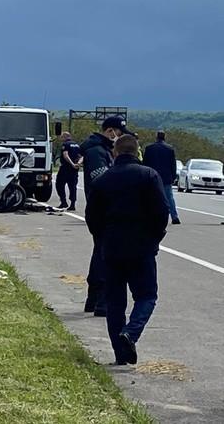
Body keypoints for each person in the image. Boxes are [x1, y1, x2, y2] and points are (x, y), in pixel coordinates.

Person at [85, 135, 168, 365]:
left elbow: (92, 216)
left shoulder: (103, 180)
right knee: (147, 296)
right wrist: (155, 238)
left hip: (112, 247)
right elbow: (161, 212)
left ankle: (120, 354)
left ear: (115, 152)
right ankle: (131, 332)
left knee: (115, 302)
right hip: (142, 247)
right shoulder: (149, 176)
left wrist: (101, 239)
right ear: (136, 151)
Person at [80, 116, 136, 316]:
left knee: (101, 253)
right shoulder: (96, 151)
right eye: (118, 133)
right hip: (103, 210)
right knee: (105, 256)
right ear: (110, 131)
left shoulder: (102, 150)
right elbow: (103, 179)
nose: (118, 138)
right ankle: (100, 300)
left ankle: (94, 300)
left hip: (105, 208)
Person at [143, 130, 180, 224]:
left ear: (156, 137)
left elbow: (145, 163)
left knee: (151, 197)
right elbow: (173, 165)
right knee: (169, 197)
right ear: (164, 137)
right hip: (166, 177)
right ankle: (174, 217)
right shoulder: (170, 149)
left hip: (152, 176)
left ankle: (150, 216)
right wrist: (173, 176)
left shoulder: (149, 148)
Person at [55, 131, 82, 210]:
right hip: (74, 170)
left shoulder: (65, 145)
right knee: (73, 187)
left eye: (62, 137)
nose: (61, 139)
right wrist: (78, 164)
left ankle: (63, 202)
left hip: (65, 168)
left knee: (59, 185)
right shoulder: (77, 145)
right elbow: (81, 156)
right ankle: (72, 204)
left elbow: (65, 155)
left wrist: (72, 164)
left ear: (65, 137)